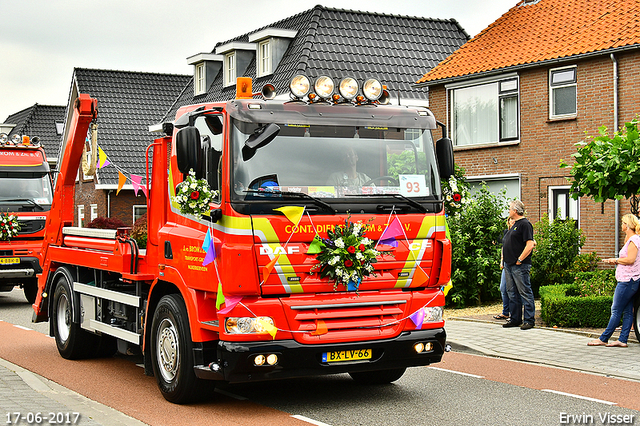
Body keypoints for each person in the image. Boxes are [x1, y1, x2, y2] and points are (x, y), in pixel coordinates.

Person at [588, 214, 640, 348]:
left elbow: (630, 260)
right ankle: (622, 340)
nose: (621, 225)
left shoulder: (634, 240)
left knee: (616, 310)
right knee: (628, 311)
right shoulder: (631, 239)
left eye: (622, 223)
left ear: (627, 225)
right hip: (628, 280)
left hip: (628, 281)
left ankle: (603, 338)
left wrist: (614, 260)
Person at [502, 200, 536, 330]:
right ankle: (515, 319)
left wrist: (520, 259)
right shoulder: (514, 225)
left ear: (515, 211)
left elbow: (530, 244)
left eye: (510, 209)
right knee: (512, 292)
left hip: (519, 265)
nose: (509, 211)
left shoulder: (525, 224)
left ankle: (529, 320)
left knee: (524, 291)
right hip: (509, 265)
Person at [494, 218, 519, 320]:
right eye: (510, 220)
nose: (512, 222)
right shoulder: (506, 233)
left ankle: (514, 314)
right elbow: (504, 247)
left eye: (513, 220)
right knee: (503, 288)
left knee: (513, 290)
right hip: (506, 263)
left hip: (515, 264)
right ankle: (505, 311)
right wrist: (501, 260)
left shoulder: (518, 232)